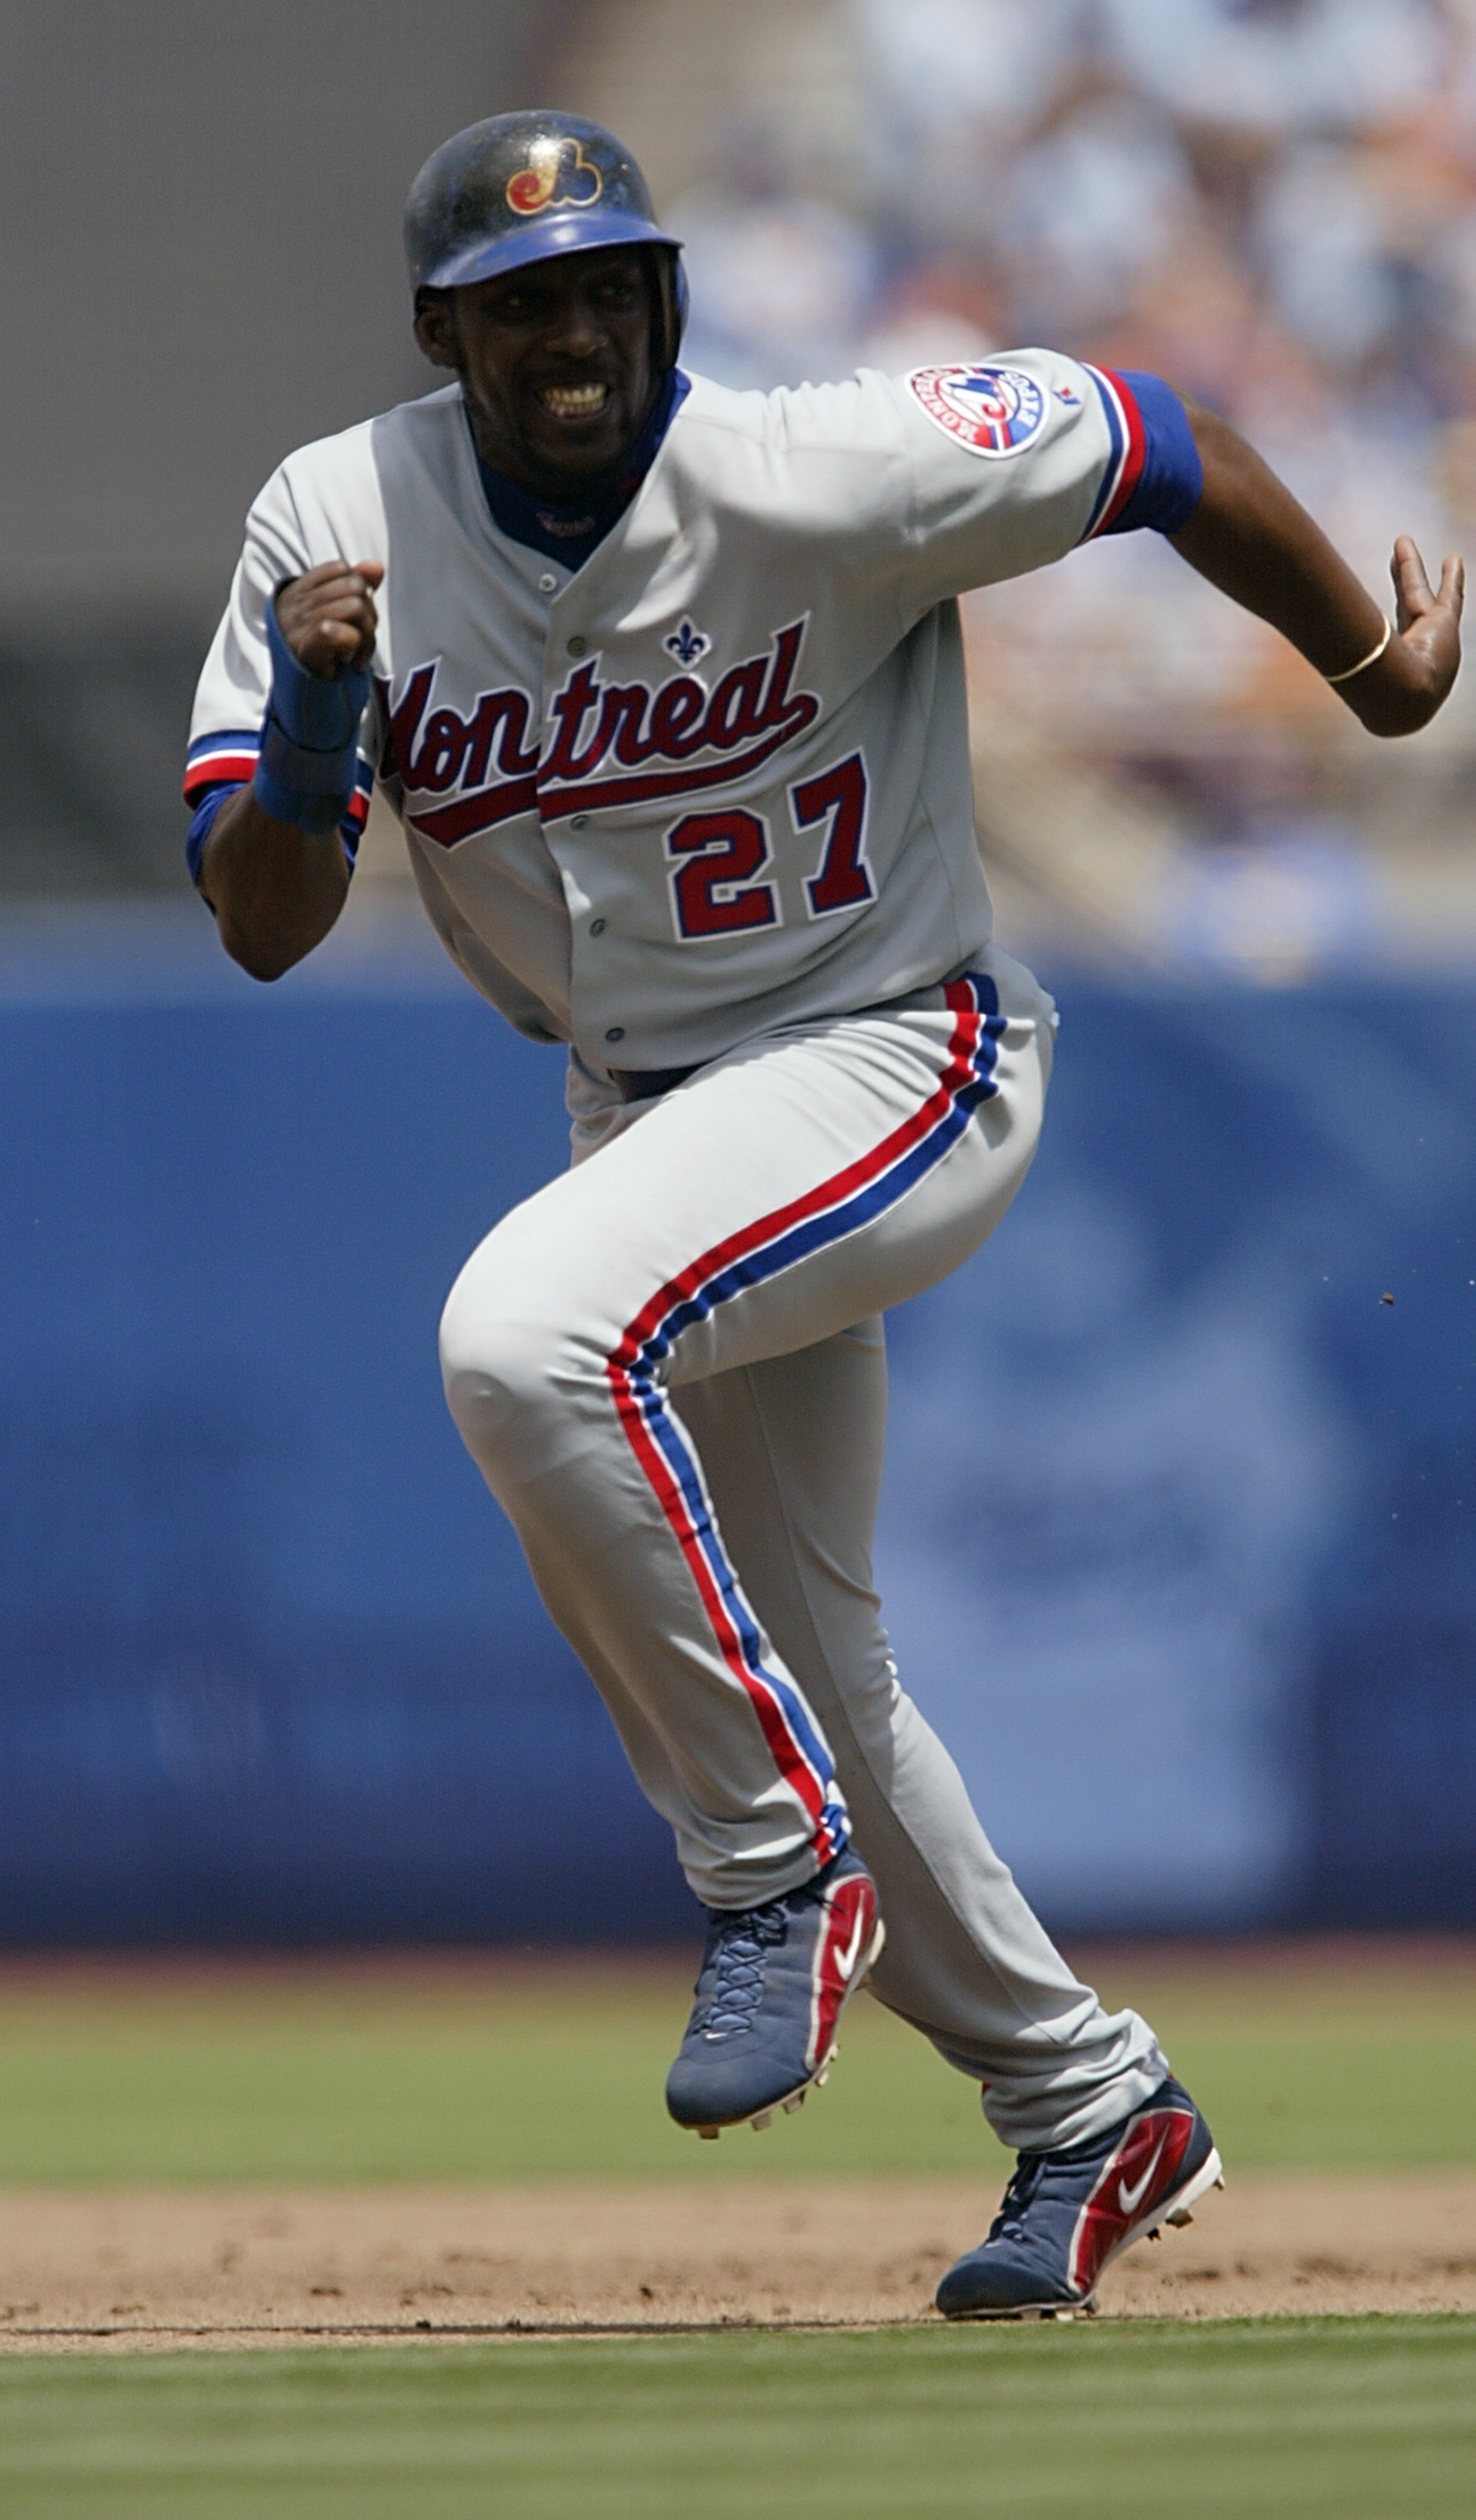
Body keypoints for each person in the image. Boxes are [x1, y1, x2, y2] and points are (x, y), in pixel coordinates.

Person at [183, 111, 1461, 2319]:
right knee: (836, 1678)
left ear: (662, 299)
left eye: (603, 286)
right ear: (442, 339)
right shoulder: (337, 519)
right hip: (655, 1116)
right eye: (520, 306)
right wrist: (315, 713)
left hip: (899, 1047)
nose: (570, 331)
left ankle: (769, 1877)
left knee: (521, 1338)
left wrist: (1364, 668)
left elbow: (1156, 438)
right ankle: (1088, 2104)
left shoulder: (820, 459)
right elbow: (267, 925)